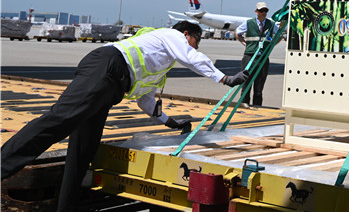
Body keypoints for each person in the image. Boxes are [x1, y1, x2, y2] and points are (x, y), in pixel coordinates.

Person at [0, 21, 248, 211]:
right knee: (60, 121)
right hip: (106, 68)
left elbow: (146, 100)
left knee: (83, 149)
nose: (195, 46)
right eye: (196, 40)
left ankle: (65, 207)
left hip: (111, 84)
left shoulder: (159, 64)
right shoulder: (171, 35)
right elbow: (191, 57)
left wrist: (170, 122)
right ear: (186, 34)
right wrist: (224, 78)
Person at [235, 2, 279, 107]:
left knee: (259, 88)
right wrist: (244, 43)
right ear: (256, 11)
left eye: (265, 11)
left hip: (263, 58)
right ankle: (243, 107)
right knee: (245, 86)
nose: (263, 13)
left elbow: (279, 35)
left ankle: (257, 108)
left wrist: (271, 45)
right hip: (249, 57)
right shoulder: (249, 23)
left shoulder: (271, 24)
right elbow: (237, 32)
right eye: (261, 10)